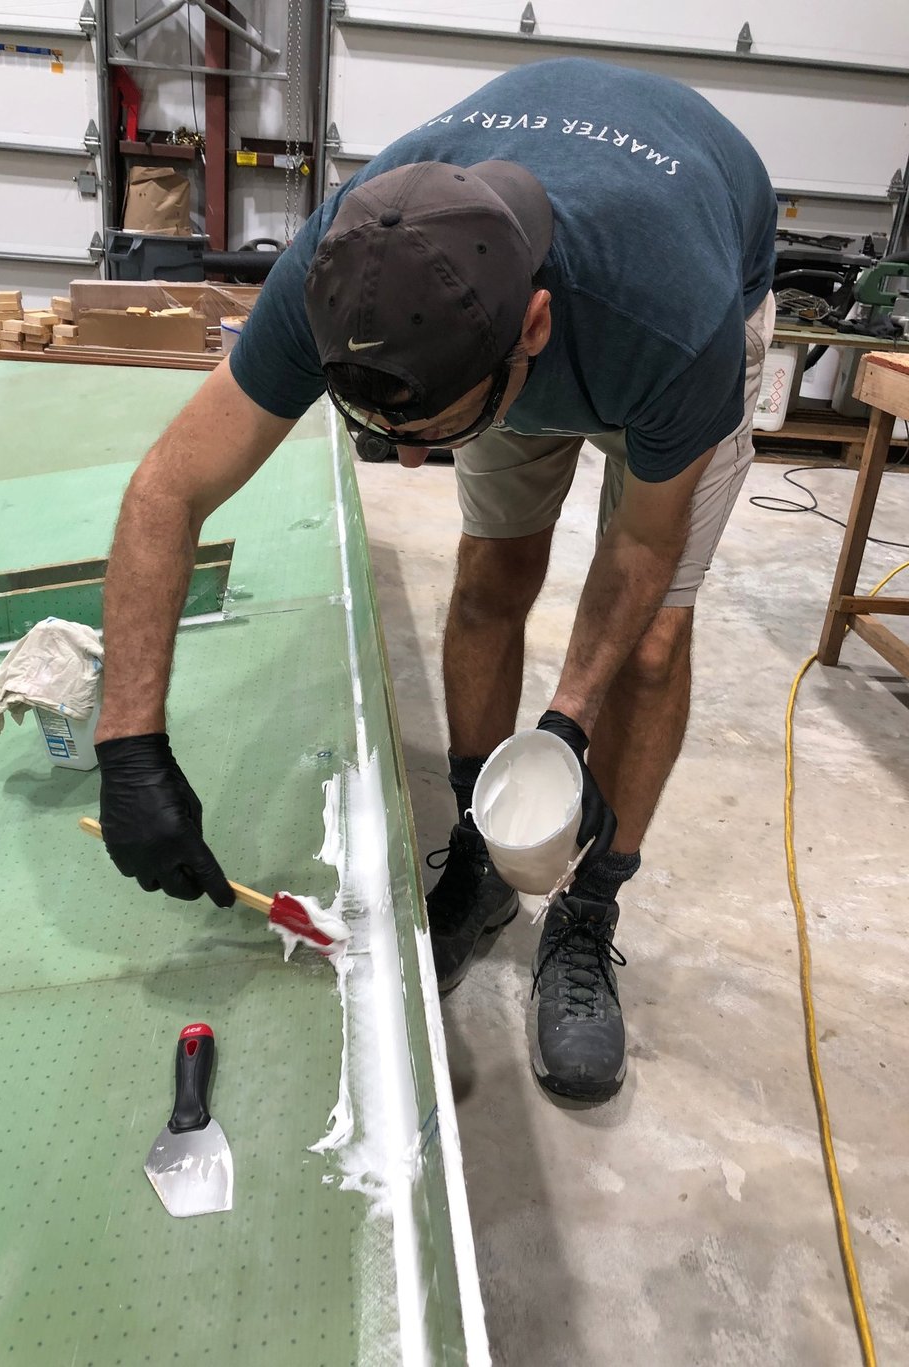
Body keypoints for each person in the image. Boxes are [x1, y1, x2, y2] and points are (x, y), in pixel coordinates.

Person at [94, 58, 777, 1104]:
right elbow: (166, 490)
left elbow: (642, 547)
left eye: (431, 432)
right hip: (514, 340)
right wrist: (129, 743)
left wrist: (567, 721)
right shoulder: (343, 271)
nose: (411, 462)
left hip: (679, 292)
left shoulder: (673, 323)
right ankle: (480, 852)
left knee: (650, 643)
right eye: (386, 435)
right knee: (491, 571)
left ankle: (588, 905)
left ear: (530, 333)